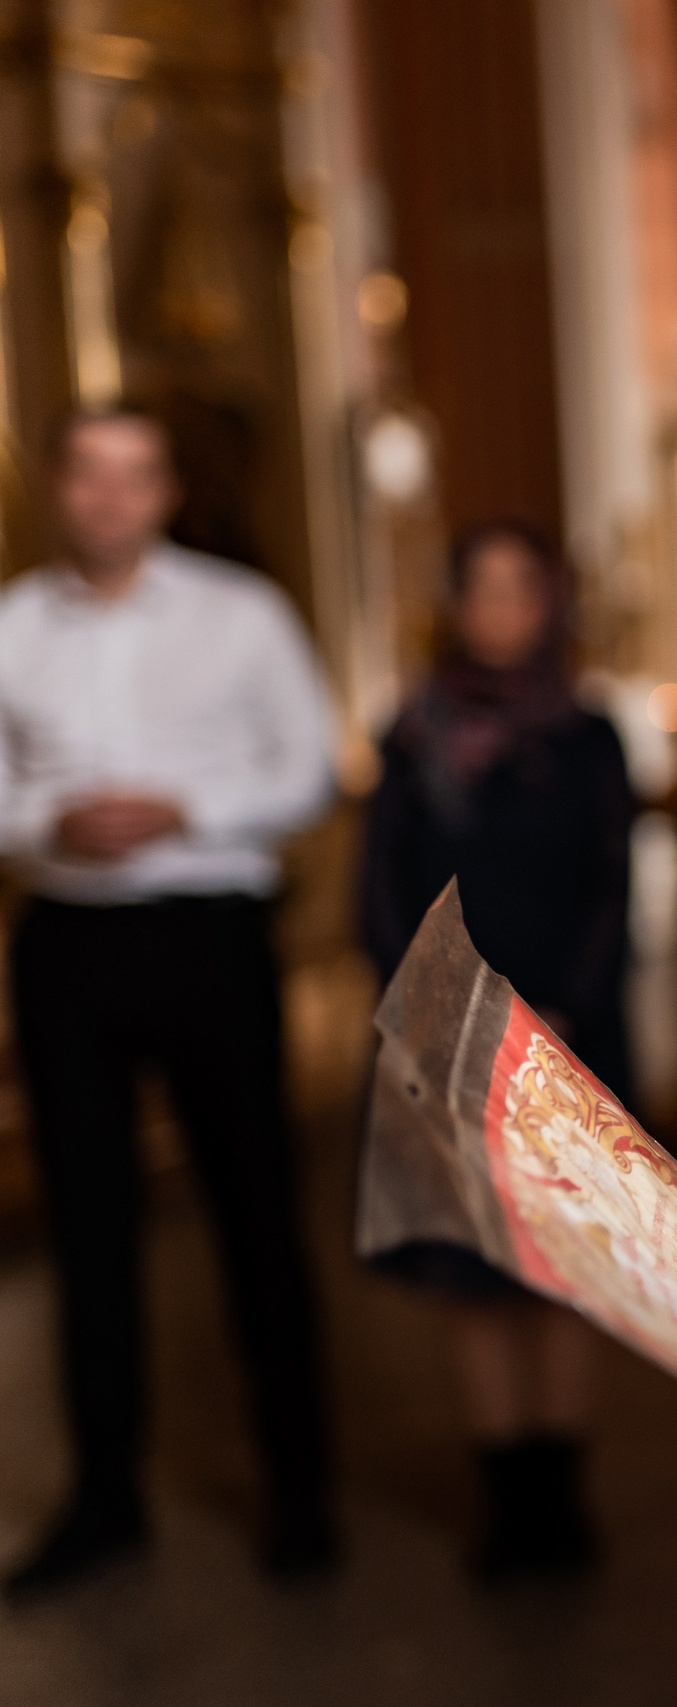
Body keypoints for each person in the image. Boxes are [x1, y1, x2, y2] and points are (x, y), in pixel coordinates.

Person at [0, 405, 340, 1599]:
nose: (107, 497)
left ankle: (301, 1492)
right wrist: (49, 822)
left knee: (256, 1215)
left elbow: (310, 765)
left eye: (132, 476)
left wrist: (184, 810)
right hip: (67, 945)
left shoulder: (241, 614)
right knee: (89, 1231)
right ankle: (105, 1502)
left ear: (163, 493)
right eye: (86, 474)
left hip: (208, 935)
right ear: (57, 488)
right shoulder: (11, 625)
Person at [360, 520, 631, 1581]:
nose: (504, 608)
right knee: (472, 1266)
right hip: (445, 1028)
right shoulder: (413, 732)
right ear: (456, 604)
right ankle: (504, 1491)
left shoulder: (588, 733)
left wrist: (564, 1008)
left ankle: (562, 1493)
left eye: (523, 588)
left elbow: (613, 883)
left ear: (550, 604)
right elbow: (381, 886)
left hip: (570, 1030)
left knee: (566, 1263)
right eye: (484, 588)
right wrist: (438, 1010)